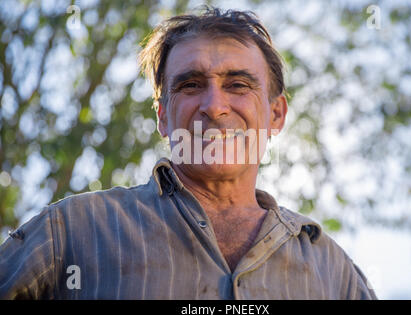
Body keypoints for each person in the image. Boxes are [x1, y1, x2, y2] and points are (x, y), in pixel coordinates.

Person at [0, 7, 377, 300]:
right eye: (191, 85)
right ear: (163, 117)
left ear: (276, 114)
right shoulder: (70, 232)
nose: (214, 106)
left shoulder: (333, 271)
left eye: (238, 84)